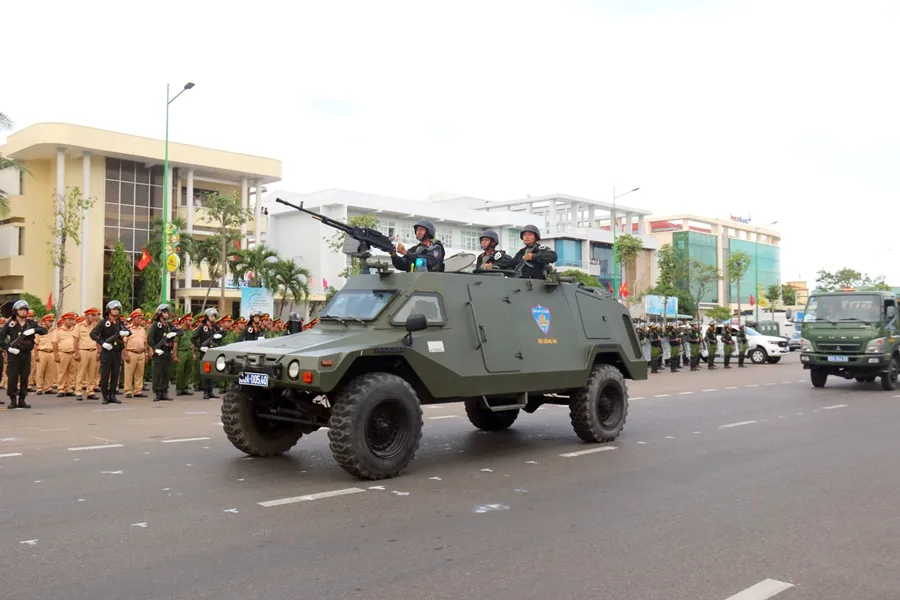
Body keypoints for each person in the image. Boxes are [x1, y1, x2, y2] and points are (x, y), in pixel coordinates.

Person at [0, 300, 48, 408]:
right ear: (16, 311)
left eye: (25, 310)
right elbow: (1, 338)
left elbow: (44, 330)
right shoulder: (11, 323)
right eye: (21, 310)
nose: (23, 312)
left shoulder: (31, 323)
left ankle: (22, 399)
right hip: (14, 354)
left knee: (25, 377)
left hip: (26, 354)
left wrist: (34, 330)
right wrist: (8, 348)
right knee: (12, 377)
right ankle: (13, 400)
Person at [90, 300, 131, 405]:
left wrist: (125, 332)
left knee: (115, 374)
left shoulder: (119, 322)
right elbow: (93, 334)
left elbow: (128, 331)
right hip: (107, 351)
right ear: (109, 310)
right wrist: (103, 343)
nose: (116, 311)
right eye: (114, 309)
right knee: (105, 374)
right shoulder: (103, 322)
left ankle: (112, 395)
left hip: (117, 352)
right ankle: (105, 396)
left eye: (117, 309)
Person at [147, 304, 178, 402]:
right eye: (164, 312)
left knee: (166, 373)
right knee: (158, 373)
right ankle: (158, 393)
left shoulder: (169, 325)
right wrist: (155, 349)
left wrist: (175, 333)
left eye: (167, 312)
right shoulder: (156, 324)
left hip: (167, 352)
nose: (167, 314)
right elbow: (150, 338)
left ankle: (164, 392)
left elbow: (180, 331)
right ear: (160, 314)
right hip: (159, 352)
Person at [192, 308, 224, 399]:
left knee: (212, 372)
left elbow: (223, 333)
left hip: (213, 351)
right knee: (206, 372)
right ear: (207, 317)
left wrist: (220, 336)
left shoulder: (215, 327)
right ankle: (205, 391)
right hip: (204, 352)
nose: (213, 318)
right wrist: (200, 347)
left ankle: (211, 391)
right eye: (211, 316)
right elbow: (193, 338)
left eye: (214, 316)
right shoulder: (202, 327)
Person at [123, 309, 149, 398]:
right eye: (138, 318)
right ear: (133, 318)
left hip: (141, 353)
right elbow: (124, 343)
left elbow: (145, 342)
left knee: (140, 373)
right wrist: (125, 354)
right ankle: (128, 391)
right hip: (131, 352)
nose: (140, 320)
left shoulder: (142, 329)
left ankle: (138, 390)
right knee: (129, 373)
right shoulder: (128, 329)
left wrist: (146, 354)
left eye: (141, 318)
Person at [53, 312, 79, 397]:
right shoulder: (58, 331)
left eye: (73, 320)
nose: (72, 321)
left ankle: (69, 389)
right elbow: (55, 344)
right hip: (63, 353)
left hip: (72, 353)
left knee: (72, 372)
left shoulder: (75, 330)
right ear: (64, 320)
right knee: (62, 372)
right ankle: (61, 389)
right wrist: (56, 355)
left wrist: (76, 352)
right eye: (70, 320)